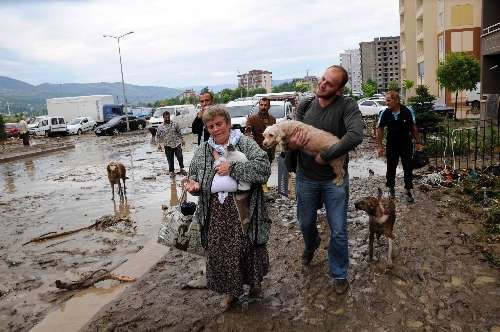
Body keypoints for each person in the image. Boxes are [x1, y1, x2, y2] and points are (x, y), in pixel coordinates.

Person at [185, 104, 271, 310]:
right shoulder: (202, 151)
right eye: (211, 126)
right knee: (220, 252)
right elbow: (194, 178)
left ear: (228, 123)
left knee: (247, 248)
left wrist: (233, 168)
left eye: (219, 124)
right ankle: (231, 292)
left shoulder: (245, 144)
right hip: (215, 211)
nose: (216, 129)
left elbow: (264, 169)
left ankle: (253, 283)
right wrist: (194, 187)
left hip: (244, 209)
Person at [288, 65, 363, 295]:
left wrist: (327, 155)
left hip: (334, 179)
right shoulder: (305, 105)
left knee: (339, 229)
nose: (322, 84)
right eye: (322, 79)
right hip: (306, 176)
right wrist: (292, 146)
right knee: (306, 223)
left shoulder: (346, 105)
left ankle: (339, 272)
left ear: (339, 90)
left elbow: (355, 135)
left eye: (329, 84)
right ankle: (311, 245)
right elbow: (291, 139)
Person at [377, 91, 423, 202]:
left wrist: (418, 143)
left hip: (406, 144)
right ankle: (391, 189)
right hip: (392, 144)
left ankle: (408, 191)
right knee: (391, 167)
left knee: (407, 167)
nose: (387, 103)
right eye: (386, 100)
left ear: (396, 100)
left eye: (389, 100)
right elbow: (380, 129)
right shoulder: (385, 113)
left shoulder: (407, 111)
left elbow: (414, 128)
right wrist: (380, 146)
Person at [245, 97, 276, 163]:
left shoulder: (273, 119)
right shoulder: (252, 119)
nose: (263, 107)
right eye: (261, 105)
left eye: (265, 105)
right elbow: (247, 133)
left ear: (269, 106)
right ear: (259, 106)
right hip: (258, 151)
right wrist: (248, 135)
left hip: (270, 152)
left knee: (268, 172)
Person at [156, 111, 186, 177]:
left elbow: (179, 133)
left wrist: (183, 140)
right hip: (167, 145)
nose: (167, 119)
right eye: (166, 117)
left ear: (170, 117)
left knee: (180, 156)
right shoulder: (160, 127)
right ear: (163, 117)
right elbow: (157, 136)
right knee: (170, 159)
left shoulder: (175, 124)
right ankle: (172, 172)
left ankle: (181, 168)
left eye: (168, 117)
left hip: (177, 143)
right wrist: (158, 144)